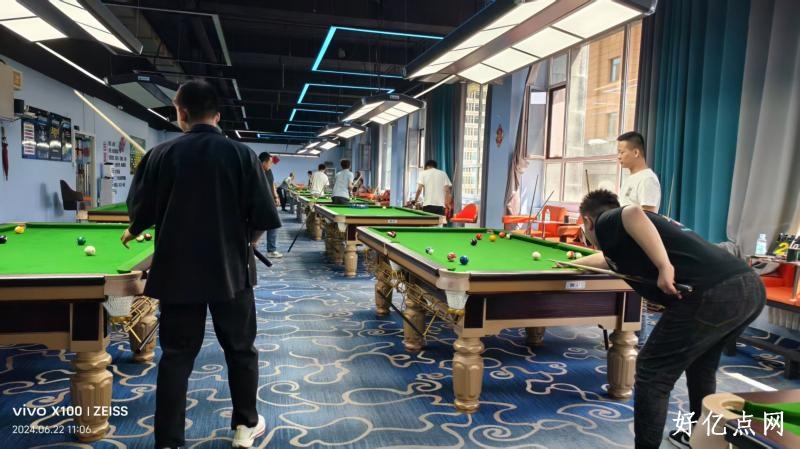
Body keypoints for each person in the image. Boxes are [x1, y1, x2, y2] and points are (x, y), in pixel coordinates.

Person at [122, 79, 280, 449]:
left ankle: (168, 440)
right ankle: (245, 426)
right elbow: (263, 216)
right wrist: (246, 243)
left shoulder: (160, 155)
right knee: (240, 350)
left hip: (178, 271)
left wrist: (136, 228)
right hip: (231, 270)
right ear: (218, 116)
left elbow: (140, 211)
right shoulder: (242, 155)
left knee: (176, 356)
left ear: (181, 112)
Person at [574, 189, 764, 449]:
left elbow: (632, 212)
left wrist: (664, 266)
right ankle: (701, 439)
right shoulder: (621, 239)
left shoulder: (606, 221)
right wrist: (570, 265)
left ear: (587, 221)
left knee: (651, 372)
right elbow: (605, 261)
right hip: (748, 288)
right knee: (701, 367)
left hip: (713, 294)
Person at [617, 131, 661, 212]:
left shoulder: (647, 179)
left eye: (622, 152)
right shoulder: (630, 178)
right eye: (618, 152)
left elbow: (648, 215)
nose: (619, 157)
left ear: (636, 153)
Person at [259, 152, 284, 258]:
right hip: (259, 202)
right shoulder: (255, 171)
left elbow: (272, 184)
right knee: (257, 227)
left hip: (269, 202)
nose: (271, 164)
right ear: (263, 162)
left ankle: (271, 250)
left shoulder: (269, 171)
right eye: (270, 162)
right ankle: (251, 250)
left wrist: (276, 196)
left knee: (274, 224)